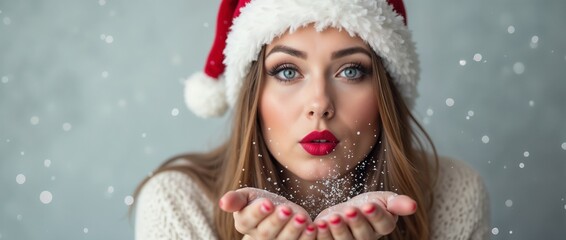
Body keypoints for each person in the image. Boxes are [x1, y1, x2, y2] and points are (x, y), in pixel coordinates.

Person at [132, 0, 490, 239]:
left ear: (385, 92)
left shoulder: (451, 192)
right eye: (287, 71)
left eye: (351, 70)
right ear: (252, 95)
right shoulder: (177, 201)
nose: (320, 104)